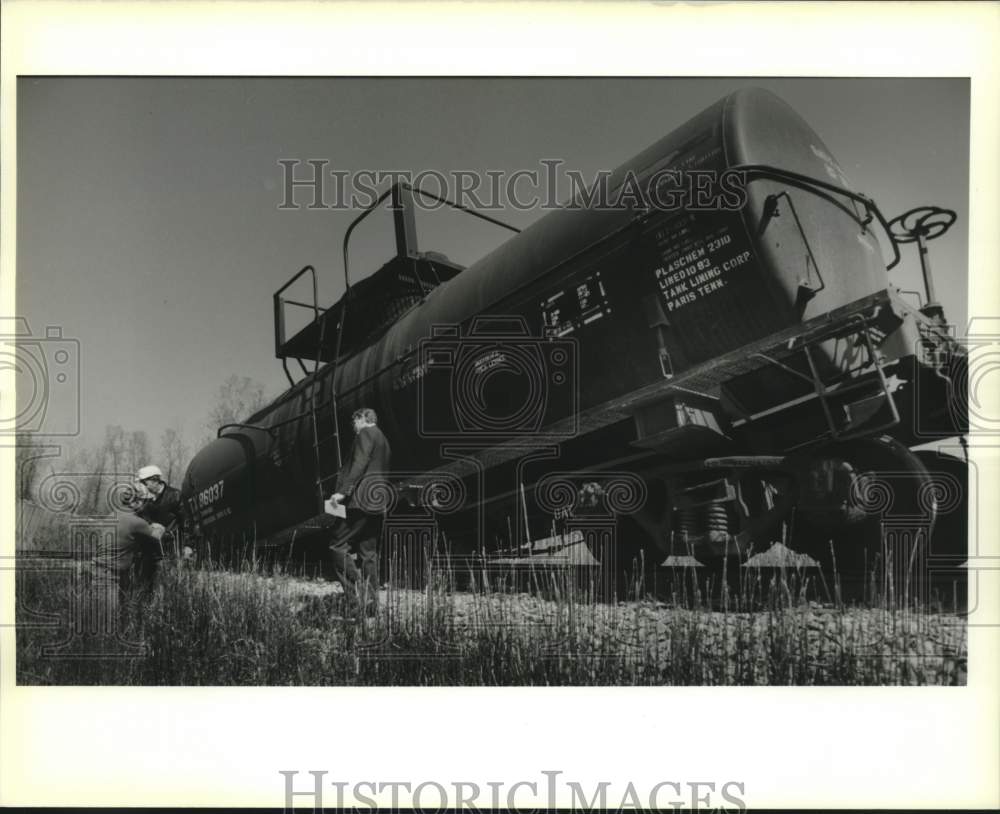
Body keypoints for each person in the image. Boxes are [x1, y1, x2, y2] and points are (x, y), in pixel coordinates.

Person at [327, 407, 392, 617]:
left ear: (363, 418)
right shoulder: (384, 440)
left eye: (354, 422)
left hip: (360, 500)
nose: (353, 427)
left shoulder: (365, 434)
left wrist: (341, 493)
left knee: (337, 545)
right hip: (377, 502)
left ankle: (357, 594)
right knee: (368, 554)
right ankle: (372, 606)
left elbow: (359, 464)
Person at [91, 484, 165, 630]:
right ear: (136, 502)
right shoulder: (136, 522)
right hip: (109, 574)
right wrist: (160, 527)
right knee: (111, 622)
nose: (145, 505)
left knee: (108, 618)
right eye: (144, 502)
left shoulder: (112, 515)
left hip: (101, 571)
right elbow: (157, 535)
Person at [135, 464, 186, 558]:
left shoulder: (175, 495)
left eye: (144, 483)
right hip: (153, 552)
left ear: (155, 480)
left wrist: (188, 545)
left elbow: (187, 522)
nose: (142, 486)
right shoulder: (144, 501)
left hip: (175, 550)